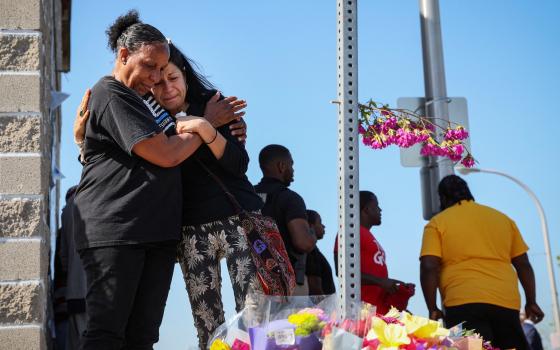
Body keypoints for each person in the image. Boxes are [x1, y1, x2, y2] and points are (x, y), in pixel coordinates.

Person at [74, 39, 260, 350]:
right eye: (158, 82)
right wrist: (82, 140)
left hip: (236, 222)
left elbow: (238, 165)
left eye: (172, 77)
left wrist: (205, 126)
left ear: (186, 76)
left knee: (256, 321)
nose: (166, 87)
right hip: (189, 232)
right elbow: (121, 160)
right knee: (209, 331)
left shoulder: (215, 108)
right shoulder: (146, 117)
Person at [420, 175, 545, 350]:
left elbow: (429, 266)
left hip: (460, 305)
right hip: (506, 304)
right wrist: (531, 301)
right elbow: (523, 264)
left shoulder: (437, 223)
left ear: (443, 198)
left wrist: (432, 307)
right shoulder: (503, 219)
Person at [334, 191, 415, 314]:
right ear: (366, 209)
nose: (380, 210)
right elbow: (342, 271)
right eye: (376, 206)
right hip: (361, 312)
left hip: (379, 310)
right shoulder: (349, 232)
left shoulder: (368, 235)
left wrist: (395, 291)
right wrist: (381, 282)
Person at [254, 145, 317, 295]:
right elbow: (303, 242)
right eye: (291, 164)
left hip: (252, 283)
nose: (293, 170)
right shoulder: (290, 198)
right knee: (291, 320)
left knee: (256, 320)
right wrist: (312, 233)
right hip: (286, 284)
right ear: (281, 166)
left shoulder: (248, 196)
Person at [58, 186, 87, 349]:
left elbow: (63, 257)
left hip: (75, 292)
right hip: (100, 289)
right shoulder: (98, 197)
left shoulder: (67, 210)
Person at [305, 210, 336, 296]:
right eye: (320, 222)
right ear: (311, 226)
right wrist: (325, 307)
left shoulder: (314, 251)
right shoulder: (311, 251)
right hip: (318, 307)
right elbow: (314, 286)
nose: (323, 226)